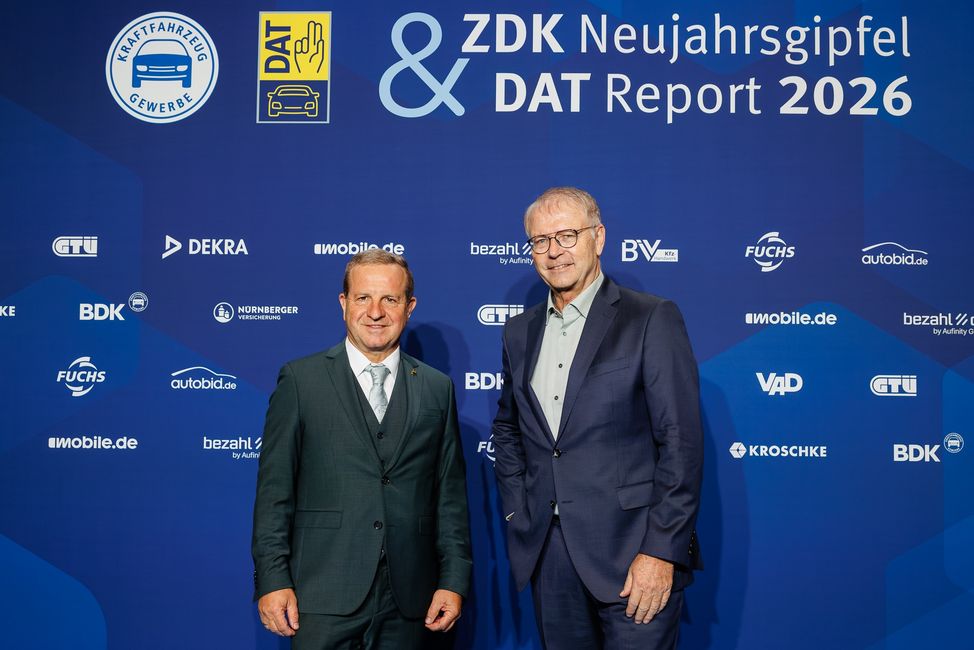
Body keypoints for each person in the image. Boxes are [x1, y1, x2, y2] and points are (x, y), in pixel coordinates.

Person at [492, 187, 703, 649]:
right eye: (540, 240)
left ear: (598, 237)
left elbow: (680, 443)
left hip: (634, 556)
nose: (554, 251)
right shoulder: (519, 331)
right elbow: (508, 428)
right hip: (549, 555)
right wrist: (518, 508)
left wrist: (661, 552)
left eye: (567, 235)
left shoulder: (650, 318)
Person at [252, 249, 472, 649]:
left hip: (411, 601)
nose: (375, 312)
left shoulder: (437, 388)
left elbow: (450, 498)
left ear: (409, 306)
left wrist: (453, 581)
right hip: (320, 594)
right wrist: (272, 579)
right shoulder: (301, 381)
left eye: (390, 299)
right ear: (344, 303)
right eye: (363, 298)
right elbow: (274, 493)